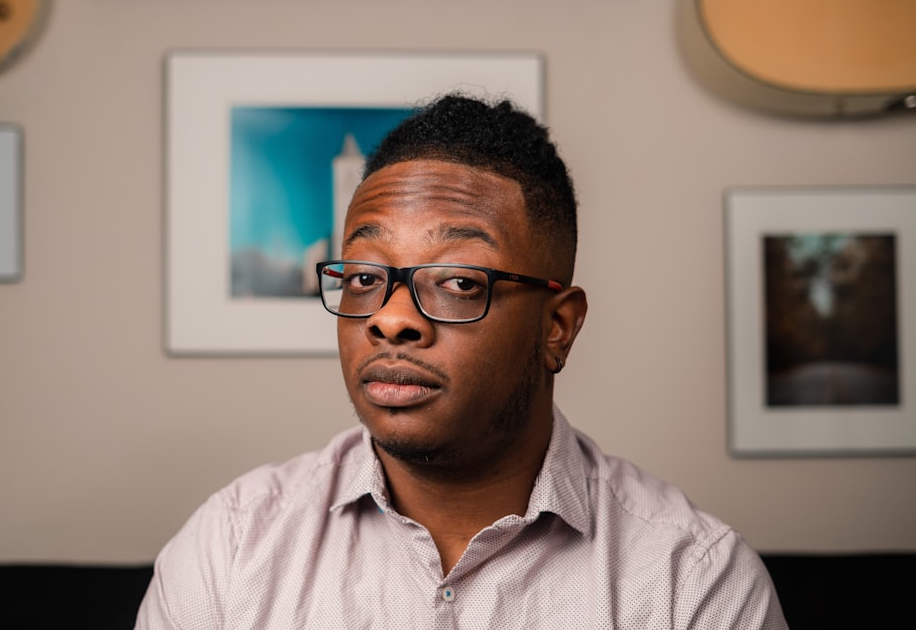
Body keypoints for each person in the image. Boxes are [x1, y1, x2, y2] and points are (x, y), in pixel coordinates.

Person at [136, 93, 787, 629]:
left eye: (459, 281)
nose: (390, 317)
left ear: (557, 327)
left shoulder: (694, 583)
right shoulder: (229, 551)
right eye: (364, 276)